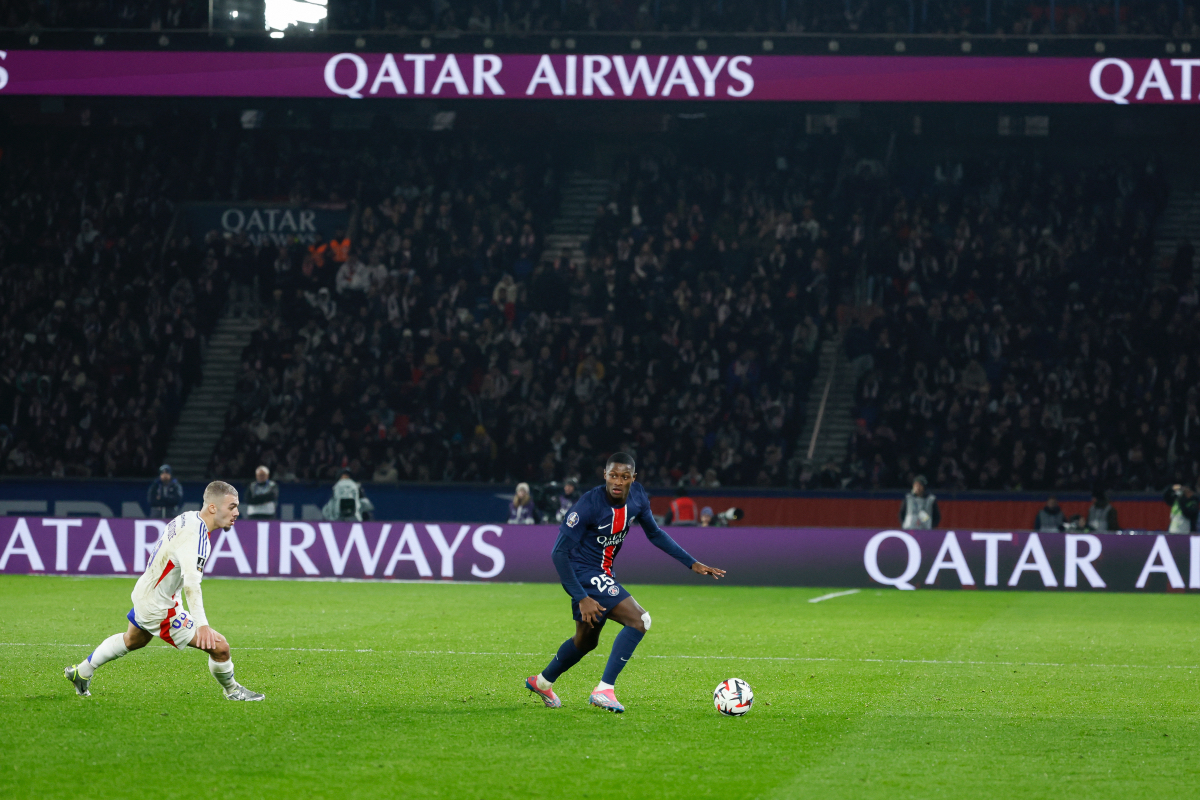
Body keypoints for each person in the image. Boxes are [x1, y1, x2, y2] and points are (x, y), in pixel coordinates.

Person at [524, 453, 725, 713]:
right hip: (583, 573)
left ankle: (542, 682)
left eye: (625, 476)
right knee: (640, 620)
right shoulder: (587, 505)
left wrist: (691, 562)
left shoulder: (638, 497)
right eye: (613, 475)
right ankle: (604, 690)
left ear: (633, 478)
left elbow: (654, 533)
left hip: (603, 574)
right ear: (604, 475)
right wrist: (581, 596)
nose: (618, 481)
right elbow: (558, 553)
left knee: (586, 642)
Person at [64, 481, 263, 701]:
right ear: (213, 508)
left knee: (133, 640)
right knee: (220, 647)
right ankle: (233, 691)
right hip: (160, 605)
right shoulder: (196, 537)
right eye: (232, 506)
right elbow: (191, 585)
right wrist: (202, 625)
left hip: (148, 591)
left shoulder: (188, 517)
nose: (237, 512)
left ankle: (81, 672)